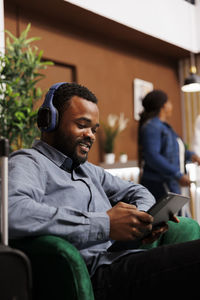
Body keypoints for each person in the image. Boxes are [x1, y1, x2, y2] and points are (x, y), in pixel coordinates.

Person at [8, 82, 200, 298]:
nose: (90, 135)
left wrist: (144, 219)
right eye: (82, 125)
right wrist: (105, 224)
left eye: (94, 129)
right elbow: (13, 212)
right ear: (49, 121)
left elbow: (138, 191)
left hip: (122, 258)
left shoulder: (89, 170)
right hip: (97, 274)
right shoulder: (29, 162)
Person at [138, 89, 200, 201]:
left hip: (170, 184)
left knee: (180, 217)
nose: (171, 106)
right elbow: (152, 156)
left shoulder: (165, 127)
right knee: (174, 218)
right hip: (160, 185)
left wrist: (192, 156)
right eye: (169, 102)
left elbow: (175, 151)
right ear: (163, 106)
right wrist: (178, 174)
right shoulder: (152, 127)